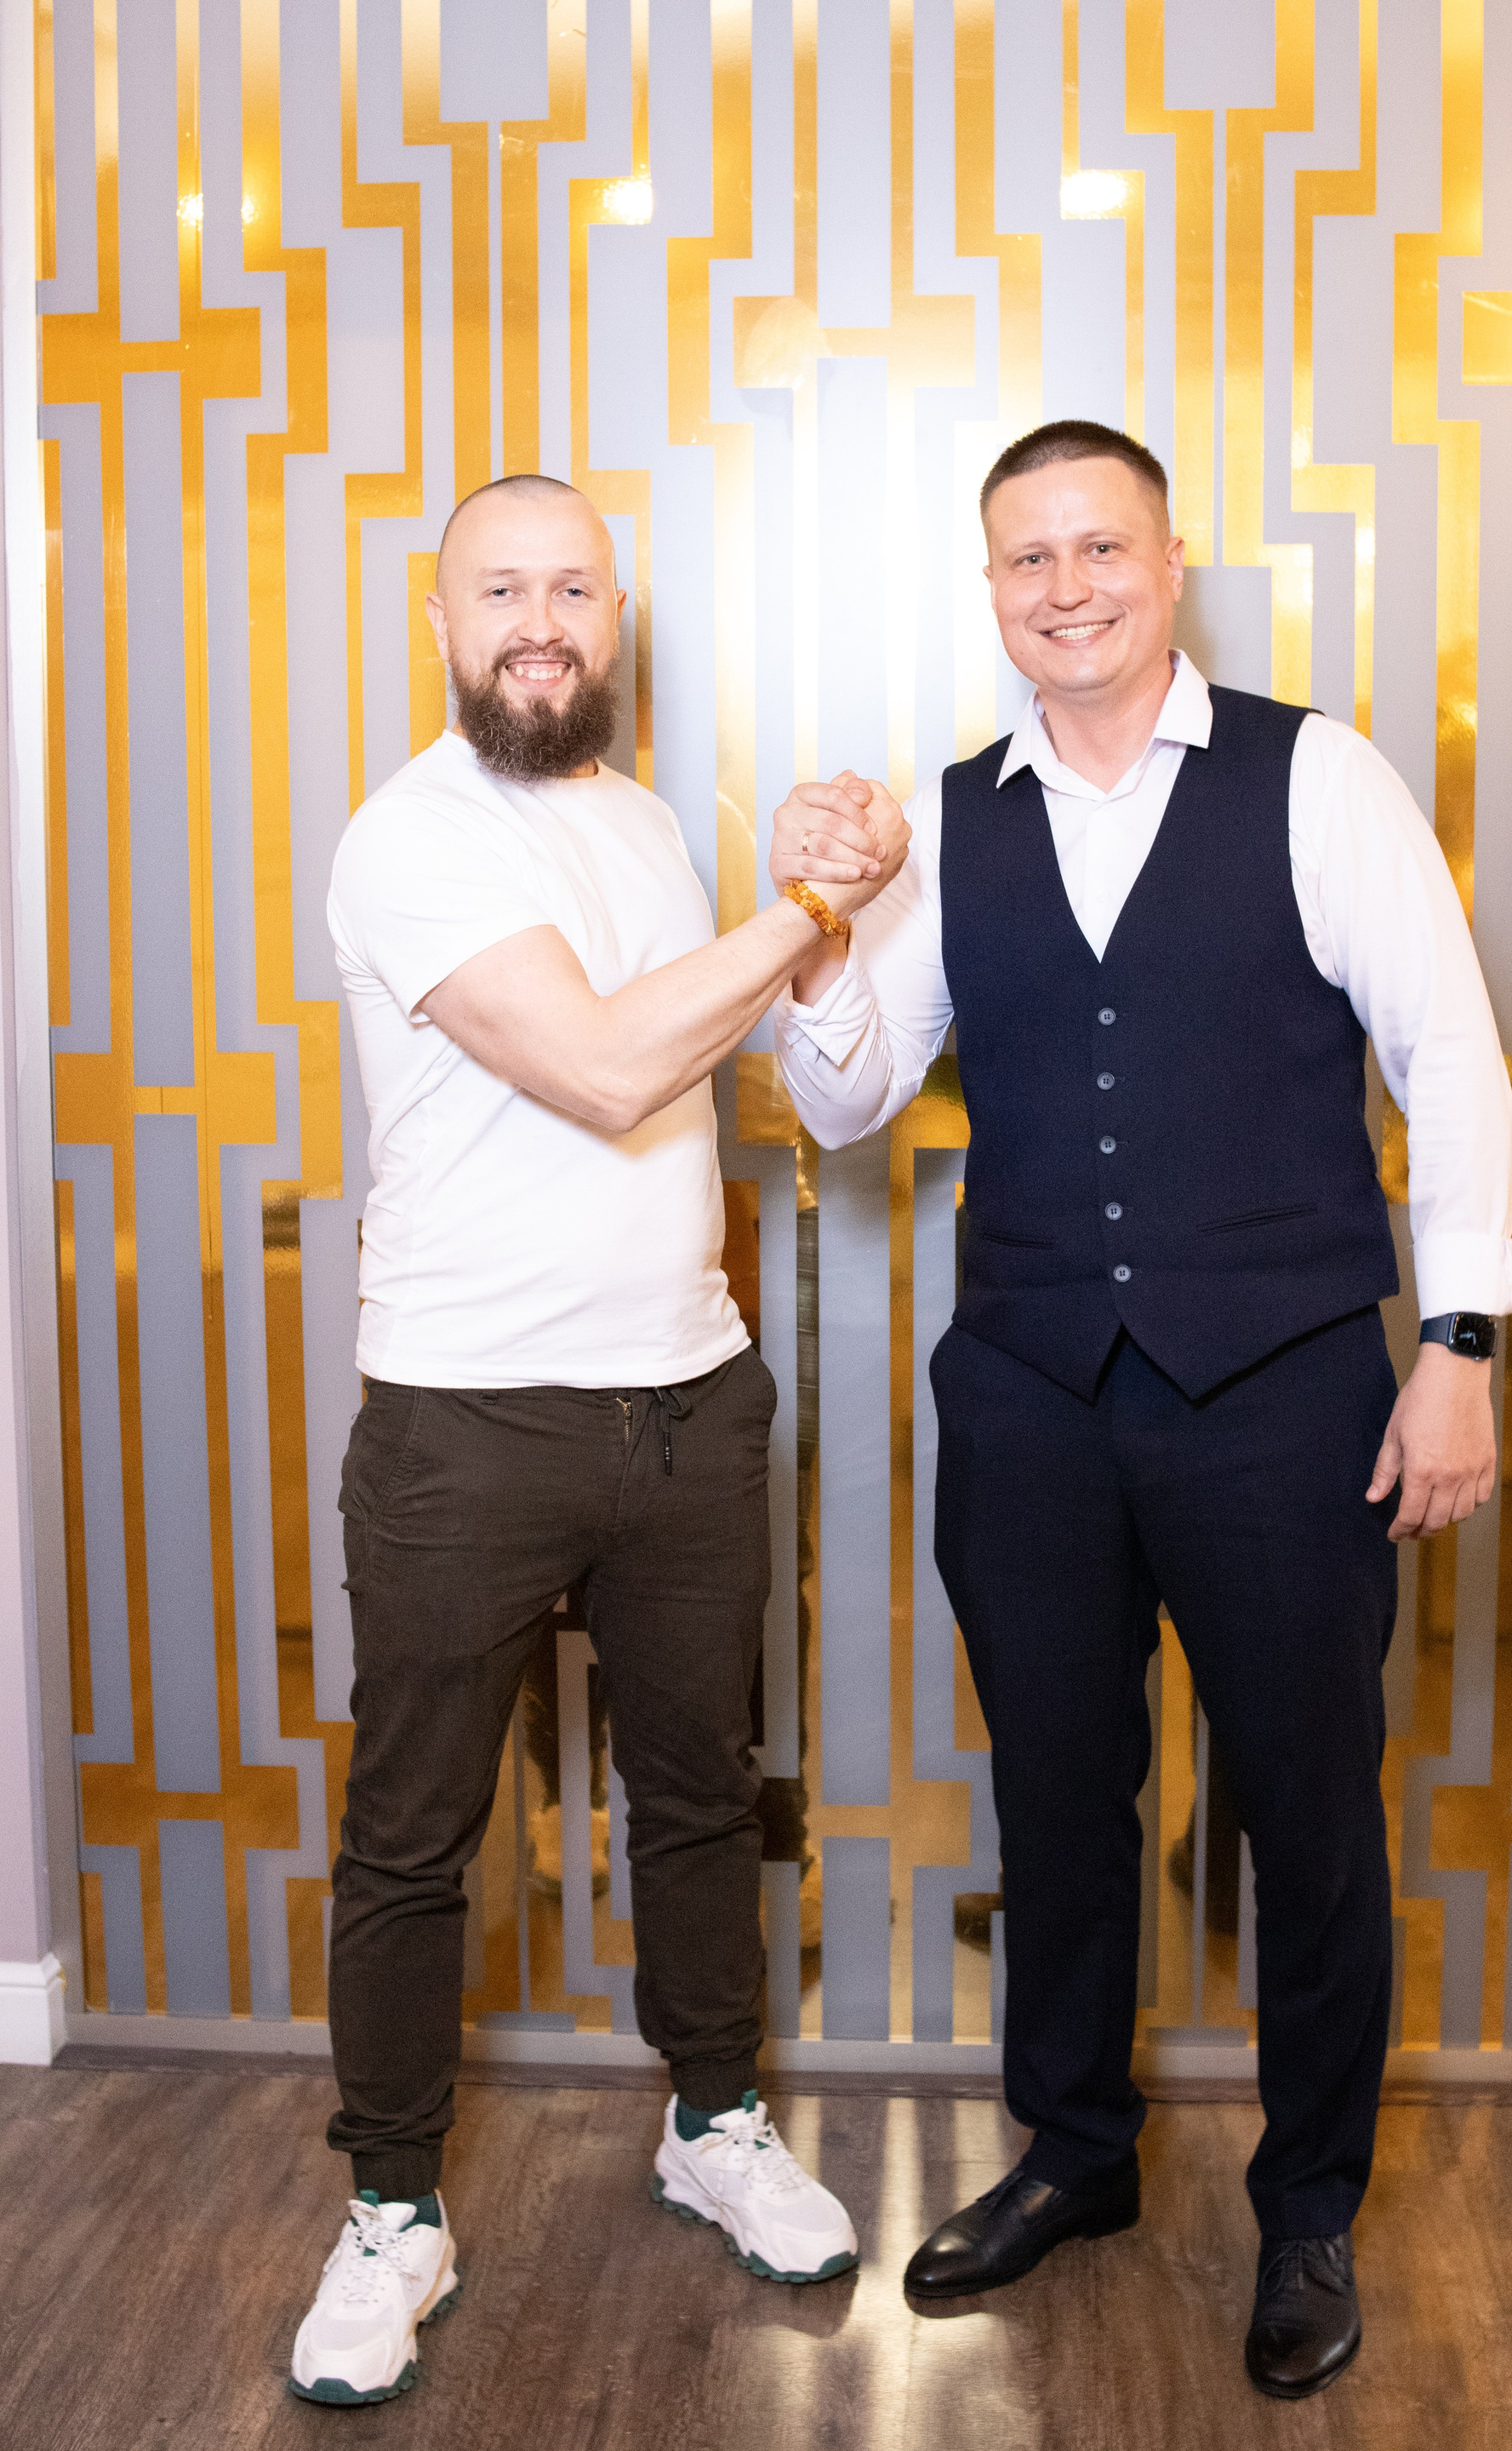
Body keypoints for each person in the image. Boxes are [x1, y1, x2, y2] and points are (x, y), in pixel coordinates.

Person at [769, 420, 1512, 2400]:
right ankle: (1078, 2155)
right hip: (1031, 1398)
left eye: (1102, 547)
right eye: (1030, 558)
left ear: (1170, 566)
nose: (1068, 586)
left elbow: (1450, 1058)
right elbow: (845, 1101)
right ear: (992, 590)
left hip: (1282, 1393)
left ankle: (1310, 2208)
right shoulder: (952, 822)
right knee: (1057, 1797)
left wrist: (1459, 1345)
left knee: (1308, 1813)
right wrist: (811, 928)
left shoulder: (1315, 776)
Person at [291, 473, 908, 2407]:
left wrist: (814, 933)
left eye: (572, 589)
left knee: (700, 1794)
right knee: (414, 1835)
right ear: (440, 621)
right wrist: (807, 908)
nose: (539, 624)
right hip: (465, 1419)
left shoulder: (646, 824)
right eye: (502, 591)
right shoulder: (408, 838)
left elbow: (781, 1073)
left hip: (690, 1401)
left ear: (614, 617)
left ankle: (712, 2120)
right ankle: (392, 2210)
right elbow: (613, 1064)